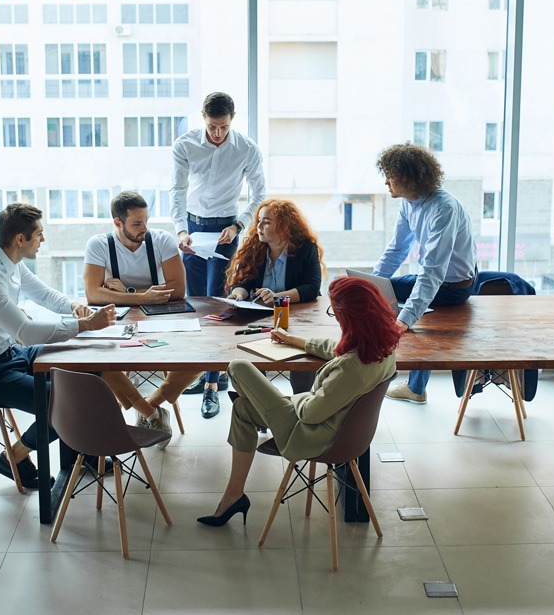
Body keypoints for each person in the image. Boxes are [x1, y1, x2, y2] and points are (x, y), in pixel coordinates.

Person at [197, 276, 400, 527]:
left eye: (334, 312)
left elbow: (310, 414)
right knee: (242, 409)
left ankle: (234, 492)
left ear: (349, 317)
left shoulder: (350, 369)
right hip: (341, 428)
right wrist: (295, 341)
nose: (334, 317)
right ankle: (233, 495)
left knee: (238, 367)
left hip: (311, 435)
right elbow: (339, 350)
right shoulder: (382, 346)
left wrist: (294, 399)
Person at [0, 203, 117, 489]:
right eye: (39, 234)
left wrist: (75, 307)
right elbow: (25, 331)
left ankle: (81, 450)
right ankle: (14, 456)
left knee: (87, 368)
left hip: (10, 355)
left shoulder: (10, 262)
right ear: (20, 239)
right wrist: (85, 326)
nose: (44, 239)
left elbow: (45, 295)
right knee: (66, 404)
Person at [82, 190, 200, 447]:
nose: (143, 228)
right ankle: (151, 414)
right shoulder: (99, 244)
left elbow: (178, 289)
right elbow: (92, 294)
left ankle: (153, 404)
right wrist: (145, 297)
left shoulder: (161, 240)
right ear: (118, 223)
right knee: (96, 362)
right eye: (136, 223)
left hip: (161, 319)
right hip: (119, 323)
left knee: (202, 357)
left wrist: (127, 293)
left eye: (145, 220)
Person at [171, 91, 267, 408]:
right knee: (195, 305)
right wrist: (181, 229)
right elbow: (178, 191)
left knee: (218, 308)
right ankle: (204, 371)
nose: (217, 133)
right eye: (213, 126)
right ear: (204, 118)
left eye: (223, 127)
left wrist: (239, 225)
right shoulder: (185, 145)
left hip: (227, 230)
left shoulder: (246, 149)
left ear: (231, 120)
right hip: (193, 231)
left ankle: (213, 384)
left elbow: (258, 195)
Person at [373, 143, 478, 405]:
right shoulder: (409, 203)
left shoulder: (444, 208)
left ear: (407, 177)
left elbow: (432, 272)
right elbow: (397, 250)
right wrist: (368, 283)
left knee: (404, 306)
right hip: (440, 280)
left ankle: (409, 385)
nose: (386, 182)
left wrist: (404, 320)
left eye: (390, 176)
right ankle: (415, 387)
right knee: (379, 291)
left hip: (454, 287)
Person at [211, 198, 326, 415]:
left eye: (266, 222)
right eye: (259, 221)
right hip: (258, 319)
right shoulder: (255, 247)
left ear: (284, 226)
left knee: (302, 361)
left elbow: (312, 288)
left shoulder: (305, 249)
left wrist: (277, 297)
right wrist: (238, 294)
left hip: (297, 320)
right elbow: (241, 282)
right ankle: (262, 411)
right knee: (248, 354)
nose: (259, 227)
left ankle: (300, 408)